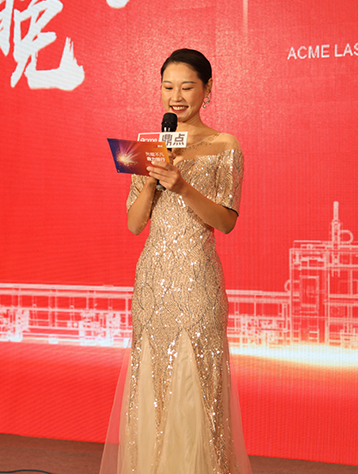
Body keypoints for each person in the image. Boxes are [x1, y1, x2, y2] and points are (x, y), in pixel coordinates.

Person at [100, 49, 252, 474]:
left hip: (198, 282)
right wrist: (151, 182)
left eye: (187, 87)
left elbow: (226, 222)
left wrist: (183, 187)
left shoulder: (225, 145)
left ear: (207, 89)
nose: (176, 97)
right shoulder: (147, 146)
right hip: (153, 284)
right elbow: (134, 225)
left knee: (197, 385)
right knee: (153, 384)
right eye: (168, 87)